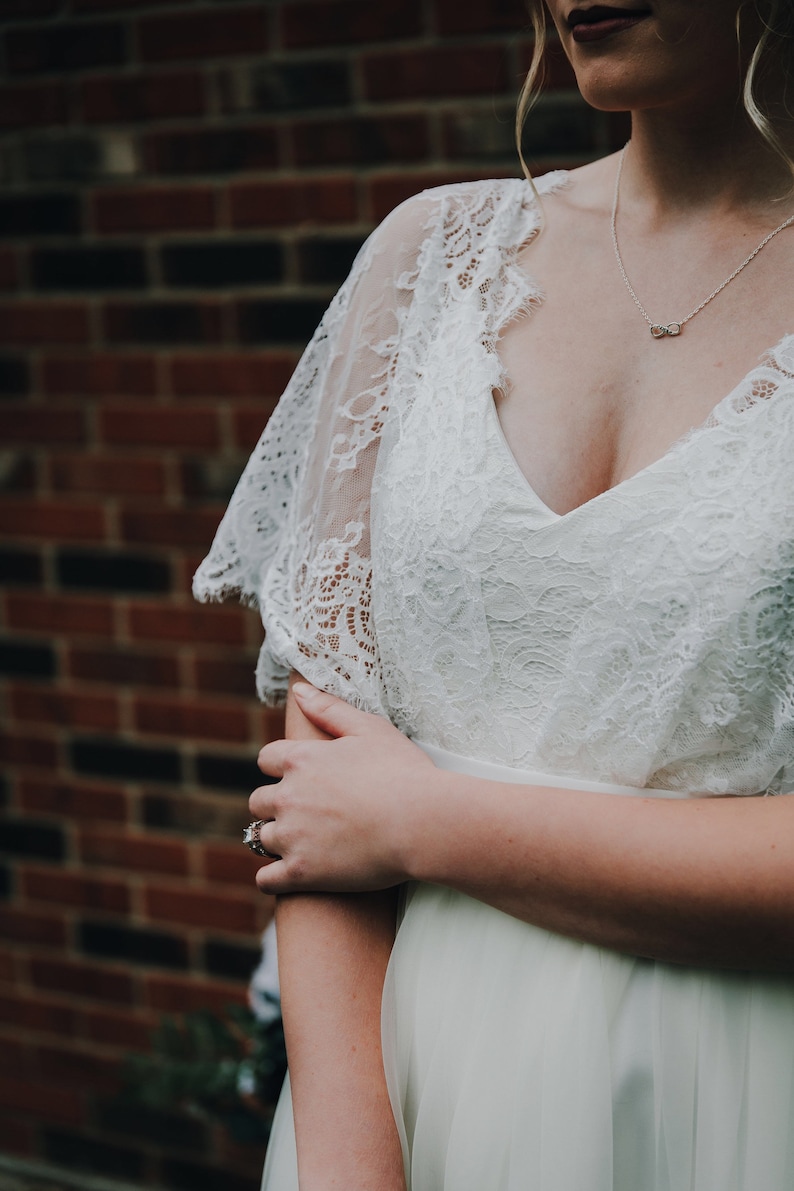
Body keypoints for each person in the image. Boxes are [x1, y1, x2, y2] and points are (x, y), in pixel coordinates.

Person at [194, 2, 794, 1188]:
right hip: (404, 1075)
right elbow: (324, 755)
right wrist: (351, 1158)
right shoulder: (431, 254)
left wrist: (423, 823)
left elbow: (368, 810)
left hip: (733, 1091)